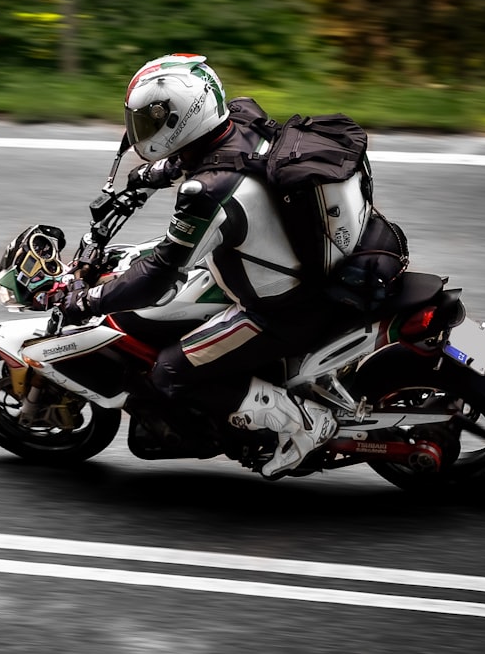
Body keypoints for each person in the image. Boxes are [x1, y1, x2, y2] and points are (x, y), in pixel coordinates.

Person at [58, 53, 367, 479]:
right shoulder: (240, 118)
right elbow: (215, 156)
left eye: (149, 121)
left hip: (279, 309)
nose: (140, 131)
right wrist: (148, 177)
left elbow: (156, 276)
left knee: (169, 370)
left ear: (181, 118)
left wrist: (88, 301)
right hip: (293, 265)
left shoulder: (205, 194)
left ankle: (304, 423)